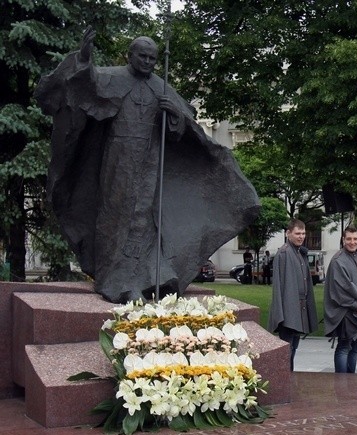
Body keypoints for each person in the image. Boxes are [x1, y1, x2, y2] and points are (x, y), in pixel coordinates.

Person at [34, 28, 260, 303]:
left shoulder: (161, 87)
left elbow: (181, 129)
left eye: (153, 58)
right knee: (114, 217)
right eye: (142, 56)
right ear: (130, 56)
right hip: (119, 158)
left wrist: (174, 114)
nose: (148, 62)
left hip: (150, 160)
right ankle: (112, 281)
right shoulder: (114, 77)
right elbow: (86, 84)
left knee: (143, 220)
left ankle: (143, 280)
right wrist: (83, 56)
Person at [323, 225, 357, 373]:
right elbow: (342, 290)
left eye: (355, 239)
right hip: (347, 314)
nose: (352, 242)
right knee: (344, 347)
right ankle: (341, 385)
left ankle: (351, 383)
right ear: (343, 240)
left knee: (356, 348)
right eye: (349, 239)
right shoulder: (338, 261)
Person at [268, 218, 318, 370]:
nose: (301, 237)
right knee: (287, 350)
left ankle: (289, 377)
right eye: (298, 233)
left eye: (303, 233)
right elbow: (278, 287)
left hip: (299, 310)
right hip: (289, 312)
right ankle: (284, 381)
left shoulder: (299, 253)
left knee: (294, 348)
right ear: (288, 233)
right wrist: (281, 315)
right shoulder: (284, 254)